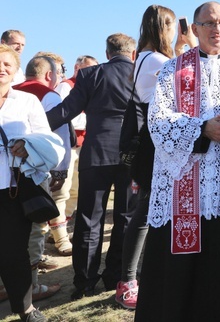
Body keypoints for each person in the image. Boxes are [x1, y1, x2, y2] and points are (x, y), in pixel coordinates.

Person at [135, 2, 220, 321]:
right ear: (196, 29)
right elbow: (158, 121)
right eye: (210, 23)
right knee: (181, 278)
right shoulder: (173, 70)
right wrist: (203, 129)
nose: (218, 29)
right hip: (184, 194)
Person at [115, 5, 196, 310]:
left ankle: (132, 277)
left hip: (151, 140)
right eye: (172, 26)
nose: (176, 31)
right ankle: (128, 281)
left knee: (147, 210)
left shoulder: (147, 57)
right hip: (155, 142)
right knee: (146, 213)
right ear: (163, 27)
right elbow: (186, 82)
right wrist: (185, 48)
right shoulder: (156, 61)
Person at [46, 34, 138, 300]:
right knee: (125, 218)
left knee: (89, 220)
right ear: (132, 54)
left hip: (97, 153)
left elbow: (66, 112)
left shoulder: (90, 75)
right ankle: (116, 277)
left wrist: (31, 125)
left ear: (107, 53)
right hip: (131, 154)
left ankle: (85, 283)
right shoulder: (142, 74)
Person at [0, 44, 58, 322]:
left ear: (15, 69)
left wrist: (26, 143)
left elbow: (47, 139)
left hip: (14, 189)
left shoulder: (27, 102)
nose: (2, 69)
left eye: (7, 64)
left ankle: (26, 310)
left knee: (13, 253)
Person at [14, 56, 74, 301]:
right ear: (50, 75)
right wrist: (60, 171)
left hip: (9, 174)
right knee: (36, 227)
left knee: (11, 229)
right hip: (36, 172)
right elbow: (58, 139)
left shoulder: (11, 92)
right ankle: (32, 286)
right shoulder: (48, 96)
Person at [54, 55, 98, 251]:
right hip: (68, 145)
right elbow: (66, 115)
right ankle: (58, 235)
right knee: (63, 190)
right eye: (87, 69)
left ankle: (61, 228)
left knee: (76, 190)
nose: (91, 73)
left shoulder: (91, 86)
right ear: (77, 68)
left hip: (83, 143)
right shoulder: (67, 86)